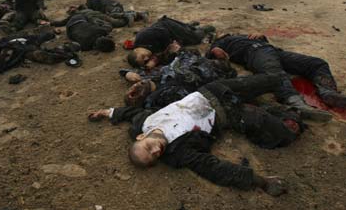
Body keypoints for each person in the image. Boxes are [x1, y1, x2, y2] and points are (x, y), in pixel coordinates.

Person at [89, 74, 303, 196]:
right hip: (229, 113)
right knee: (283, 134)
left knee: (272, 80)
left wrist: (108, 112)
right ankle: (293, 112)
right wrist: (261, 181)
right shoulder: (180, 153)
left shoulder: (143, 123)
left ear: (141, 137)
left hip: (213, 90)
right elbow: (214, 168)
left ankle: (291, 95)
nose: (156, 150)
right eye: (154, 156)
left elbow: (131, 112)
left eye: (148, 148)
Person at [208, 33, 344, 119]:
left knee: (316, 63)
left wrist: (260, 36)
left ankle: (328, 92)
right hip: (255, 53)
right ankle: (295, 103)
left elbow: (265, 41)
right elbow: (211, 54)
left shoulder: (243, 35)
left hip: (273, 51)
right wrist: (216, 49)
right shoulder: (221, 42)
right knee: (275, 73)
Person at [127, 16, 215, 69]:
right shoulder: (145, 50)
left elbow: (164, 33)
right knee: (186, 37)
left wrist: (168, 48)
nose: (146, 58)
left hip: (168, 27)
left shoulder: (143, 37)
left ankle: (204, 29)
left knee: (195, 38)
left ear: (136, 50)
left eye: (143, 57)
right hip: (169, 31)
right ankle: (189, 26)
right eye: (144, 61)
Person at [50, 10, 116, 52]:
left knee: (89, 19)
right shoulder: (85, 47)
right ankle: (52, 23)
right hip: (70, 29)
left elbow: (108, 27)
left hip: (76, 21)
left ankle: (52, 23)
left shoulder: (101, 31)